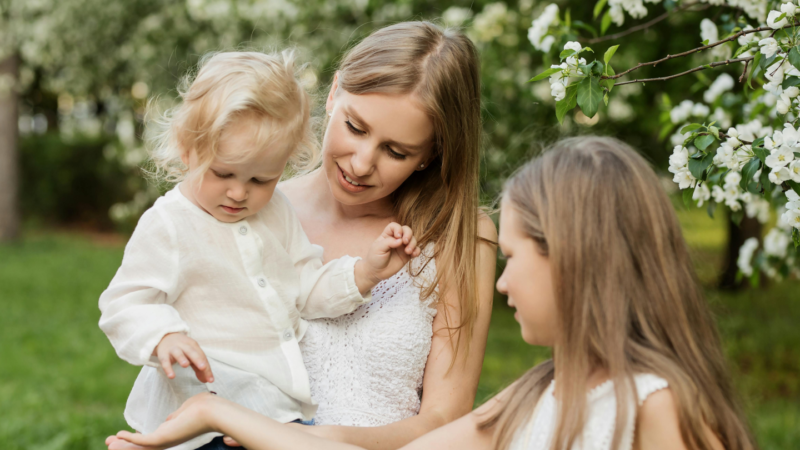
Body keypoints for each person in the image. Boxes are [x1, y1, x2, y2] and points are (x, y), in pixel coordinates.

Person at [107, 136, 756, 450]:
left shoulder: (658, 407)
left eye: (511, 258)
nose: (499, 282)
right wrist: (216, 415)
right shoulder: (541, 393)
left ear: (575, 260)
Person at [98, 50, 422, 450]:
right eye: (223, 173)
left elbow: (304, 287)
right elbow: (124, 303)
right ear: (187, 148)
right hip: (198, 423)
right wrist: (163, 335)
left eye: (261, 178)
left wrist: (364, 274)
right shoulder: (170, 223)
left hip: (274, 415)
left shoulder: (275, 212)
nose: (239, 192)